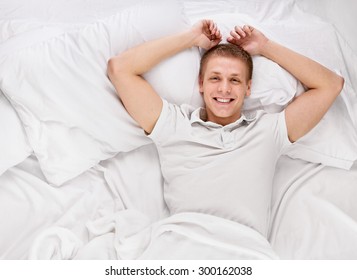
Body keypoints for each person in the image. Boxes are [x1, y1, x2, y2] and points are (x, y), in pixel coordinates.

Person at [107, 20, 344, 237]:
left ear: (248, 88)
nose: (224, 89)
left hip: (246, 253)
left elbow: (331, 85)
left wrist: (265, 46)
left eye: (235, 80)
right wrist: (190, 38)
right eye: (215, 78)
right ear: (200, 83)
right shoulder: (174, 125)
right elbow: (119, 69)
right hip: (181, 247)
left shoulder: (268, 131)